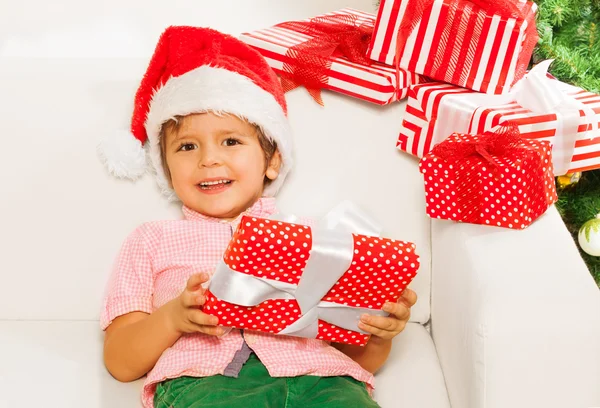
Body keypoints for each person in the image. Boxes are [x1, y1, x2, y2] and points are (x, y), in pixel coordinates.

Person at [98, 25, 417, 408]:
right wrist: (173, 319)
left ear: (272, 160)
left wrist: (379, 333)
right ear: (165, 167)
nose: (209, 159)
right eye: (186, 146)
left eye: (231, 141)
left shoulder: (313, 236)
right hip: (207, 383)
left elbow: (358, 358)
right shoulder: (151, 239)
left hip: (322, 379)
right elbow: (120, 361)